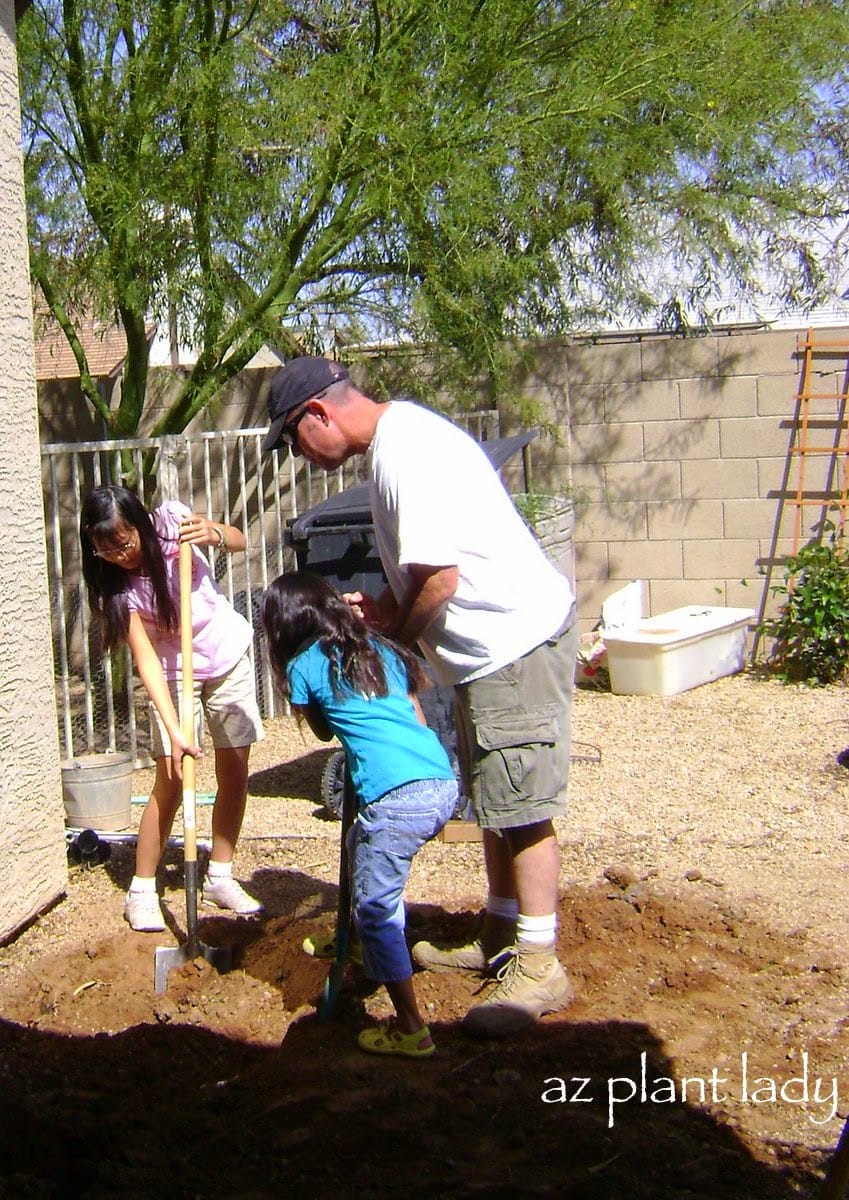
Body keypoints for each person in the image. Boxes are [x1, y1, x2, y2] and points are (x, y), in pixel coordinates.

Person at [262, 356, 578, 1038]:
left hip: (512, 642)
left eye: (291, 439)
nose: (296, 454)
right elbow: (422, 576)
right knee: (496, 797)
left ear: (317, 413)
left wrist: (391, 646)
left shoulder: (405, 453)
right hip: (484, 654)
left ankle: (539, 960)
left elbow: (440, 582)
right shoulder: (396, 445)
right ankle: (500, 934)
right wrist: (381, 612)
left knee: (522, 808)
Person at [261, 570, 458, 1058]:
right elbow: (414, 716)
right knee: (358, 848)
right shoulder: (382, 648)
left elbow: (327, 733)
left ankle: (411, 1028)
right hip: (440, 783)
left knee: (378, 910)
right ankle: (347, 937)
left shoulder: (305, 666)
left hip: (395, 802)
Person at [80, 485, 265, 932]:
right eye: (105, 550)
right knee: (171, 775)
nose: (119, 555)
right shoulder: (112, 589)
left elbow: (240, 540)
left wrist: (215, 533)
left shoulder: (173, 525)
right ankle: (142, 888)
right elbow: (145, 660)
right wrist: (175, 731)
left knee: (235, 767)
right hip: (172, 671)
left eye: (124, 542)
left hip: (225, 653)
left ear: (140, 524)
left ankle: (220, 874)